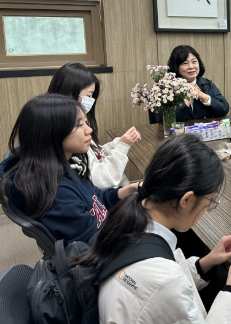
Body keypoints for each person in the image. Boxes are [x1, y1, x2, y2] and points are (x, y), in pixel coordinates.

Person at [73, 134, 231, 324]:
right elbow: (163, 287)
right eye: (210, 201)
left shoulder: (125, 220)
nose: (207, 209)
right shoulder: (164, 279)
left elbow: (157, 293)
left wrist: (207, 261)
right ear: (186, 200)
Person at [0, 94, 140, 244]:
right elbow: (94, 247)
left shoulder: (61, 166)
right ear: (52, 132)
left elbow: (95, 198)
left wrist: (127, 190)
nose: (89, 130)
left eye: (85, 122)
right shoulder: (60, 199)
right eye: (79, 125)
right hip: (105, 249)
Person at [48, 62, 140, 189]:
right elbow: (101, 180)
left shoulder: (72, 128)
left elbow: (95, 155)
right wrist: (122, 147)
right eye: (88, 96)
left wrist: (117, 143)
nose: (89, 129)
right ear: (69, 93)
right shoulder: (68, 136)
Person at [168, 45, 229, 121]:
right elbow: (161, 119)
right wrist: (186, 101)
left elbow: (224, 109)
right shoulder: (167, 88)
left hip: (205, 128)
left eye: (194, 62)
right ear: (176, 66)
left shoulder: (207, 84)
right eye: (185, 63)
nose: (191, 67)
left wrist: (204, 96)